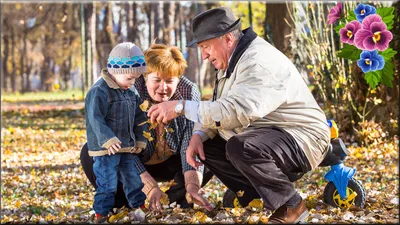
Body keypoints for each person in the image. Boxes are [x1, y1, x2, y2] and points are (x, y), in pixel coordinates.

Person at [147, 7, 330, 224]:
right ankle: (253, 196)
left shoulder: (257, 62)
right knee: (210, 146)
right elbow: (219, 105)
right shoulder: (232, 60)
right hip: (269, 130)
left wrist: (180, 107)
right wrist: (199, 135)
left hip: (302, 135)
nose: (204, 55)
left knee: (240, 146)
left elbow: (237, 111)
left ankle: (291, 205)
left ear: (227, 39)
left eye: (206, 47)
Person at [80, 43, 213, 213]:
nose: (163, 88)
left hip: (172, 160)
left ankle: (178, 200)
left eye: (170, 81)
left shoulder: (188, 92)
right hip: (135, 159)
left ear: (178, 80)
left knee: (206, 143)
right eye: (157, 80)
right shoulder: (129, 90)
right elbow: (125, 144)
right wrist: (150, 188)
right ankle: (123, 201)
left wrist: (192, 184)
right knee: (92, 152)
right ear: (145, 77)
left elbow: (189, 139)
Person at [84, 42, 148, 223]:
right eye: (129, 78)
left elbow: (139, 117)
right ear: (115, 71)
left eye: (136, 78)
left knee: (133, 179)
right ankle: (101, 213)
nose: (133, 82)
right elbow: (95, 119)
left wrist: (140, 139)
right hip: (107, 150)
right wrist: (108, 139)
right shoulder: (99, 91)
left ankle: (139, 207)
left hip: (126, 147)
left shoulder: (130, 90)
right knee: (108, 183)